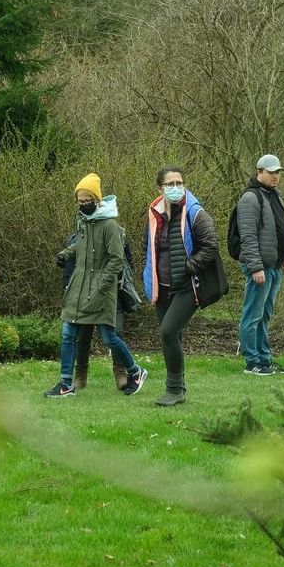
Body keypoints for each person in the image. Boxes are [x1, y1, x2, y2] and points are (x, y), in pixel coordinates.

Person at [46, 173, 148, 398]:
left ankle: (135, 371)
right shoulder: (83, 221)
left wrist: (102, 284)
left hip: (101, 290)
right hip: (78, 287)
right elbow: (81, 245)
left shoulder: (110, 225)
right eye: (80, 201)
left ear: (97, 199)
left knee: (109, 338)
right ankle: (65, 383)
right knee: (67, 334)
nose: (83, 204)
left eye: (86, 200)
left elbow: (117, 260)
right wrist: (66, 253)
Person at [143, 166, 219, 406]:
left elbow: (211, 247)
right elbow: (150, 251)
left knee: (167, 331)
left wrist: (188, 267)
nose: (176, 188)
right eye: (170, 184)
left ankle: (174, 389)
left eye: (179, 183)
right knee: (171, 337)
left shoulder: (195, 213)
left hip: (188, 286)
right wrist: (149, 281)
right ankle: (179, 389)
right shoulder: (154, 213)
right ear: (160, 188)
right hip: (163, 286)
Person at [236, 154, 284, 376]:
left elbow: (281, 230)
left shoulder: (274, 196)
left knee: (265, 314)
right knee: (252, 315)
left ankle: (265, 359)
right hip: (260, 268)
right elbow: (248, 236)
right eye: (271, 172)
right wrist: (255, 267)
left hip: (275, 266)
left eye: (278, 172)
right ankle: (252, 362)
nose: (275, 176)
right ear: (259, 172)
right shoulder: (251, 198)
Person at [58, 229, 134, 392]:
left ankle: (121, 373)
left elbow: (127, 265)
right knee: (82, 338)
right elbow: (69, 271)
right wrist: (68, 291)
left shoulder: (119, 235)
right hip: (84, 298)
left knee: (115, 334)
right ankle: (80, 374)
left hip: (112, 297)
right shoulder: (77, 238)